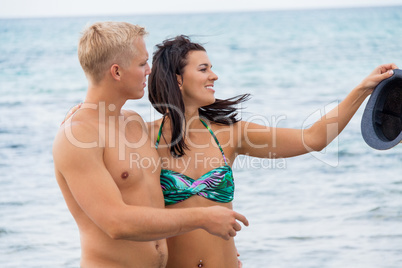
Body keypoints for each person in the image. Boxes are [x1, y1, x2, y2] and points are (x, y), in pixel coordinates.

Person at [147, 35, 398, 267]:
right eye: (204, 69)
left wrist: (362, 89)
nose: (215, 76)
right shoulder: (143, 138)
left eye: (211, 68)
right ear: (178, 79)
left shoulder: (231, 133)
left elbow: (313, 138)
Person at [53, 22, 248, 268]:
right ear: (116, 72)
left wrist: (217, 254)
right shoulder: (77, 137)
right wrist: (203, 218)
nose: (149, 70)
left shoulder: (135, 123)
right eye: (142, 63)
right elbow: (116, 222)